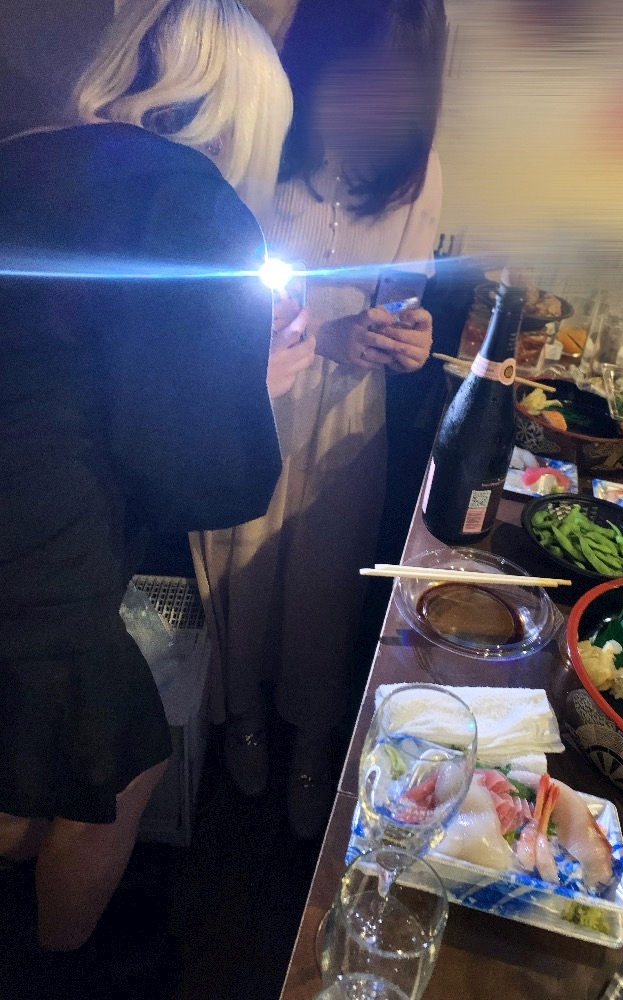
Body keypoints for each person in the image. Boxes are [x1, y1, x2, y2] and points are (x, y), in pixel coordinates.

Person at [0, 0, 312, 991]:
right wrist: (258, 385)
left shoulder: (27, 150)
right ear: (247, 114)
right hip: (39, 551)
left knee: (36, 758)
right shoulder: (193, 200)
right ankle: (63, 966)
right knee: (120, 759)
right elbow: (209, 476)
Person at [191, 0, 447, 839]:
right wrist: (321, 335)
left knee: (325, 584)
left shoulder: (416, 169)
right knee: (242, 564)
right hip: (253, 390)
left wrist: (410, 338)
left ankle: (310, 739)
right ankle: (242, 717)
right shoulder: (259, 135)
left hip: (347, 416)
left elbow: (401, 300)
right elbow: (207, 296)